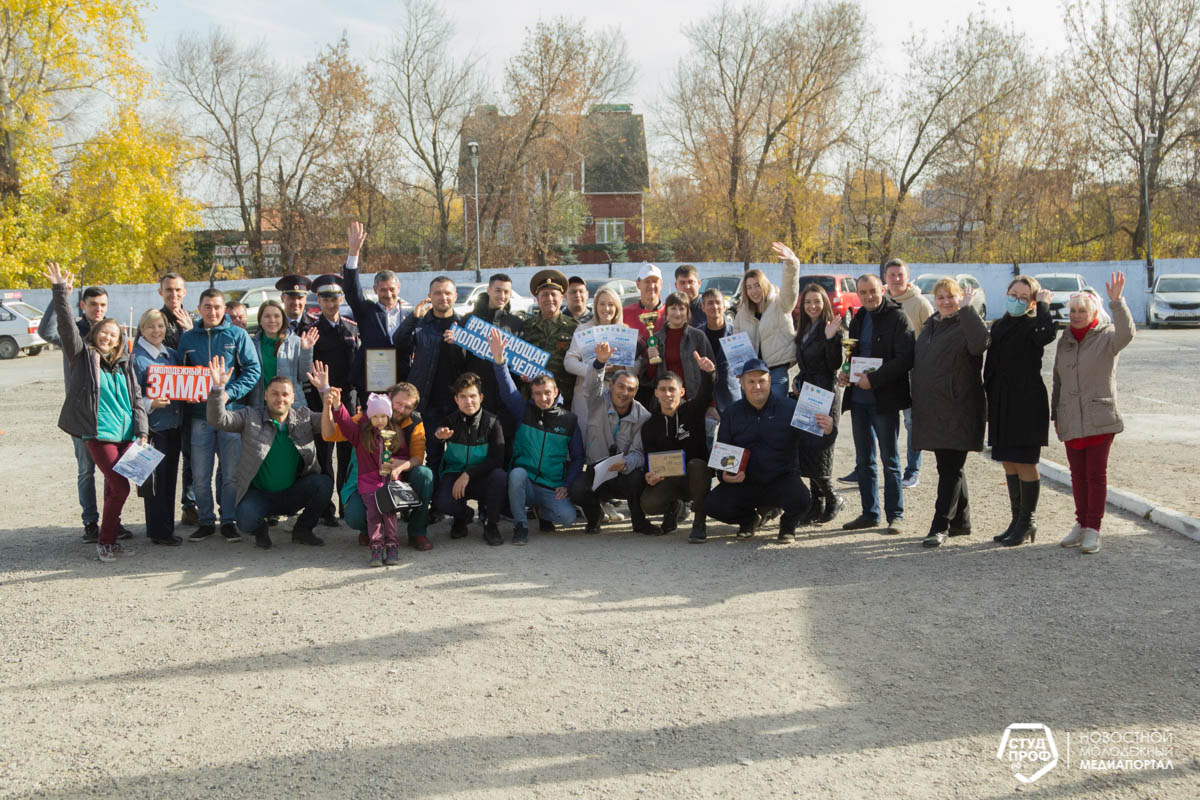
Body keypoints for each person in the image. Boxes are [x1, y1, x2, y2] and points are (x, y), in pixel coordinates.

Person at [45, 263, 149, 562]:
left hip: (126, 436)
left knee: (113, 489)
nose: (107, 338)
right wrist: (60, 292)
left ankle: (110, 537)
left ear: (119, 339)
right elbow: (66, 327)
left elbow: (137, 400)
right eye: (104, 333)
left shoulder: (125, 364)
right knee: (120, 487)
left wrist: (142, 432)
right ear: (95, 334)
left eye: (113, 335)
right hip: (99, 434)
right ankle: (104, 540)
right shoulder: (83, 357)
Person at [205, 356, 331, 550]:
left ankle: (303, 530)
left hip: (292, 492)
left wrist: (324, 391)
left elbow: (331, 422)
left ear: (293, 398)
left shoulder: (304, 416)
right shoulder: (250, 416)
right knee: (245, 520)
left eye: (285, 394)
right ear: (265, 396)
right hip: (259, 495)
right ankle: (261, 530)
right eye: (274, 394)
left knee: (323, 484)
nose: (280, 399)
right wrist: (218, 389)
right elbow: (218, 420)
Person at [1051, 273, 1134, 555]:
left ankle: (1093, 529)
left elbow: (1127, 333)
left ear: (1094, 313)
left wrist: (1117, 302)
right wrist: (1056, 414)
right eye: (1073, 311)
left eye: (1082, 311)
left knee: (1095, 475)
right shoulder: (1064, 340)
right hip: (1071, 418)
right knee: (1077, 475)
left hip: (1099, 418)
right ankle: (1081, 523)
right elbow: (1058, 380)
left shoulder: (1107, 337)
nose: (1076, 315)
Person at [37, 281, 125, 542]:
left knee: (112, 473)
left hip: (110, 417)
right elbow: (45, 331)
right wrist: (58, 296)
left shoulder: (112, 333)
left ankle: (113, 521)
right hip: (83, 416)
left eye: (103, 305)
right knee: (86, 470)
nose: (98, 309)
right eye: (93, 304)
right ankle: (90, 521)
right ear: (82, 305)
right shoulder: (73, 331)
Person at [705, 359, 828, 542]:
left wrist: (828, 432)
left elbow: (813, 445)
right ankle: (748, 520)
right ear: (742, 383)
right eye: (751, 381)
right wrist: (724, 475)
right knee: (712, 505)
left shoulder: (790, 408)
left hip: (781, 479)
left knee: (802, 500)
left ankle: (787, 526)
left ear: (770, 381)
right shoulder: (731, 413)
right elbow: (723, 450)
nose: (757, 386)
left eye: (762, 381)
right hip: (745, 481)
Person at [178, 288, 262, 543]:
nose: (212, 312)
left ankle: (228, 520)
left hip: (230, 415)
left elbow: (253, 370)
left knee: (230, 474)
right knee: (200, 474)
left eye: (217, 307)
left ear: (224, 309)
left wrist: (229, 393)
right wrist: (185, 392)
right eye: (207, 307)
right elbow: (179, 373)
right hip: (199, 416)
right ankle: (206, 521)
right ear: (199, 309)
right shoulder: (187, 339)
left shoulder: (237, 335)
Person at [910, 279, 989, 547]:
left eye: (951, 297)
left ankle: (939, 525)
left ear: (961, 298)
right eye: (941, 297)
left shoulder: (967, 323)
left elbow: (980, 344)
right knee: (949, 466)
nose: (946, 302)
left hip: (959, 407)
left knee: (950, 468)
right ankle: (961, 521)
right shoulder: (932, 325)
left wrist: (967, 310)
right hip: (935, 408)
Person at [488, 328, 584, 545]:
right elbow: (507, 390)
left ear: (556, 392)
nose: (543, 398)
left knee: (568, 518)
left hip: (552, 486)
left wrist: (567, 484)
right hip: (526, 484)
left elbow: (578, 457)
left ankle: (543, 512)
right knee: (516, 474)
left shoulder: (569, 420)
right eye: (538, 394)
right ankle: (520, 525)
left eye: (547, 393)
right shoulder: (524, 412)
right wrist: (499, 361)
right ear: (532, 394)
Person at [838, 274, 915, 535]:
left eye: (872, 291)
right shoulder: (859, 318)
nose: (868, 296)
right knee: (864, 461)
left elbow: (906, 359)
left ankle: (896, 515)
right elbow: (853, 355)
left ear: (882, 289)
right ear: (858, 294)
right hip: (859, 401)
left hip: (885, 400)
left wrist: (875, 379)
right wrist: (846, 374)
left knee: (889, 460)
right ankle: (870, 513)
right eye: (863, 292)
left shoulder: (898, 318)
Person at [983, 276, 1057, 547]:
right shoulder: (999, 325)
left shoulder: (1034, 325)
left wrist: (1045, 306)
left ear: (1032, 303)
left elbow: (1047, 334)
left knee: (1025, 461)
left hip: (1026, 402)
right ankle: (1016, 520)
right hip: (1001, 400)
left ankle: (1028, 521)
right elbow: (990, 365)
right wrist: (987, 397)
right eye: (1013, 294)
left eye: (1024, 298)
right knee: (1008, 460)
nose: (1016, 300)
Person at [322, 376, 435, 551]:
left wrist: (401, 465)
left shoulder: (414, 423)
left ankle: (417, 531)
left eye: (408, 407)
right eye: (398, 403)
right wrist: (327, 405)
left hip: (398, 478)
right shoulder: (368, 417)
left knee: (425, 474)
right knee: (354, 516)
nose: (401, 410)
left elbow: (417, 458)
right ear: (389, 397)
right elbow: (329, 435)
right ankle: (367, 529)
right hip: (366, 480)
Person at [568, 342, 652, 533]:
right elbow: (592, 385)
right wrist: (599, 363)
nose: (624, 393)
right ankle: (594, 517)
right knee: (577, 488)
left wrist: (626, 463)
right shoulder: (598, 401)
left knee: (637, 477)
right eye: (620, 386)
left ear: (636, 392)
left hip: (623, 475)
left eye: (630, 389)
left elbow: (639, 453)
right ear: (611, 385)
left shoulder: (643, 417)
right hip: (596, 472)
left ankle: (639, 522)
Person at [636, 354, 717, 542]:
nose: (667, 394)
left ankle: (699, 521)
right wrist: (650, 475)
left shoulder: (693, 410)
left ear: (682, 392)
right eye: (663, 390)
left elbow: (706, 393)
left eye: (672, 389)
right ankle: (673, 509)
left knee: (697, 465)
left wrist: (709, 373)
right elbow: (650, 457)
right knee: (649, 504)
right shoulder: (650, 425)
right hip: (670, 479)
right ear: (656, 393)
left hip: (696, 477)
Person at [328, 390, 413, 566]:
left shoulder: (396, 433)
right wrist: (337, 405)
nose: (379, 420)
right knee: (373, 516)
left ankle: (392, 547)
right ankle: (376, 549)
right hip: (368, 484)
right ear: (369, 417)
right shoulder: (361, 434)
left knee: (390, 516)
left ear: (389, 416)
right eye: (375, 416)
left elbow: (404, 455)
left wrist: (395, 466)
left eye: (383, 416)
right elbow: (345, 423)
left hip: (389, 483)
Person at [395, 275, 464, 479]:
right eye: (438, 293)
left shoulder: (465, 324)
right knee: (432, 456)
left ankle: (451, 496)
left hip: (457, 404)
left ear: (455, 296)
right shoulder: (421, 323)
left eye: (448, 293)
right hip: (428, 403)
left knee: (457, 457)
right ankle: (432, 498)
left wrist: (459, 344)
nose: (443, 297)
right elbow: (399, 341)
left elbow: (471, 362)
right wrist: (413, 318)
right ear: (429, 296)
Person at [306, 274, 360, 524]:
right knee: (324, 457)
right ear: (318, 300)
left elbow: (358, 367)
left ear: (341, 299)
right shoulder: (311, 330)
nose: (331, 303)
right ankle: (326, 509)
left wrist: (357, 399)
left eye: (335, 297)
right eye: (325, 298)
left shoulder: (352, 327)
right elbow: (307, 368)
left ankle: (346, 505)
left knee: (348, 457)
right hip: (322, 402)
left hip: (348, 401)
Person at [430, 372, 507, 546]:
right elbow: (438, 435)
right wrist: (439, 437)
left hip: (481, 475)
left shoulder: (493, 422)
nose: (468, 401)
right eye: (463, 397)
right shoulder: (449, 420)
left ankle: (491, 525)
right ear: (456, 399)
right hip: (455, 474)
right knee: (442, 503)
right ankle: (463, 516)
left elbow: (497, 459)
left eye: (473, 396)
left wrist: (468, 474)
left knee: (500, 477)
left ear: (481, 397)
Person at [792, 283, 846, 525]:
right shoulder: (804, 328)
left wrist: (831, 339)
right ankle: (816, 503)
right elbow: (805, 362)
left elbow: (834, 364)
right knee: (808, 448)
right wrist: (798, 379)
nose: (812, 306)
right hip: (808, 391)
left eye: (817, 301)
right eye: (808, 302)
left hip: (825, 392)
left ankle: (833, 498)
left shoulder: (830, 328)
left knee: (821, 447)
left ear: (824, 303)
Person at [132, 309, 185, 546]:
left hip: (173, 425)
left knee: (169, 479)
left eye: (160, 326)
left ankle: (166, 527)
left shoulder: (171, 354)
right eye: (151, 326)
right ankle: (158, 531)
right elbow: (131, 396)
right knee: (154, 482)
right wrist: (150, 402)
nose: (156, 331)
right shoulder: (136, 358)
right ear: (142, 329)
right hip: (152, 429)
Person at [880, 259, 933, 489]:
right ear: (885, 277)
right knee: (883, 420)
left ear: (907, 276)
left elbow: (932, 336)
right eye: (891, 275)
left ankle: (912, 471)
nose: (896, 279)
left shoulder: (920, 303)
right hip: (886, 370)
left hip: (913, 370)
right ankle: (882, 467)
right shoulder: (880, 301)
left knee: (912, 422)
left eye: (900, 274)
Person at [153, 273, 200, 526]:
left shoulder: (195, 320)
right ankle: (161, 516)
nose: (174, 294)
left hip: (191, 399)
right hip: (165, 402)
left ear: (185, 291)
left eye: (178, 290)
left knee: (192, 454)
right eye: (169, 290)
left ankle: (190, 505)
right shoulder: (154, 320)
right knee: (166, 458)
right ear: (160, 292)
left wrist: (191, 332)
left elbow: (201, 359)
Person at [342, 221, 408, 398]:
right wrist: (353, 253)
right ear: (375, 290)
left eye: (392, 289)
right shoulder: (366, 311)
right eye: (383, 290)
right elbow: (352, 290)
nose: (388, 294)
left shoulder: (410, 315)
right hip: (372, 383)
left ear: (399, 288)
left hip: (402, 383)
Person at [563, 285, 641, 430]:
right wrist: (595, 368)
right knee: (587, 436)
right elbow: (569, 362)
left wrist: (623, 367)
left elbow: (637, 365)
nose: (606, 308)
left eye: (611, 304)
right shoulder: (583, 329)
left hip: (616, 396)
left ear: (617, 307)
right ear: (595, 306)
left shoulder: (625, 331)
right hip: (586, 395)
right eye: (602, 304)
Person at [732, 243, 800, 400]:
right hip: (751, 373)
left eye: (757, 285)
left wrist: (791, 263)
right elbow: (736, 344)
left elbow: (790, 288)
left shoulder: (780, 303)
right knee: (751, 412)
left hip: (776, 370)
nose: (753, 291)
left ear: (765, 284)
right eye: (749, 287)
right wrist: (739, 369)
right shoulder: (742, 313)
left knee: (775, 409)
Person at [460, 273, 525, 418]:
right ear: (488, 290)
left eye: (506, 291)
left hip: (505, 394)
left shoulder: (516, 323)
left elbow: (519, 360)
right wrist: (454, 344)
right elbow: (460, 360)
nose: (502, 295)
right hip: (476, 392)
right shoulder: (469, 319)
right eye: (498, 290)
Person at [521, 269, 580, 409]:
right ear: (537, 299)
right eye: (544, 294)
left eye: (553, 294)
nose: (549, 299)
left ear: (562, 297)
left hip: (564, 399)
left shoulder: (575, 328)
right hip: (532, 399)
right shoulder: (526, 326)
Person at [247, 299, 318, 407]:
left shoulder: (296, 341)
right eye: (267, 316)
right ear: (260, 320)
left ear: (283, 319)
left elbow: (304, 377)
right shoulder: (252, 345)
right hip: (260, 407)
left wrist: (306, 350)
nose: (272, 320)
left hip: (291, 406)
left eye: (277, 316)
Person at [648, 292, 715, 402]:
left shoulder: (698, 337)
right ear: (666, 311)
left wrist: (711, 404)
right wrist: (652, 361)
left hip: (694, 401)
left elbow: (712, 375)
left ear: (687, 311)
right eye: (673, 308)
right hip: (666, 402)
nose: (677, 313)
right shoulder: (655, 339)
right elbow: (649, 378)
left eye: (682, 309)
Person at [699, 288, 742, 414]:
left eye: (718, 302)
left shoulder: (736, 333)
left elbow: (744, 368)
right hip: (705, 397)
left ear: (724, 306)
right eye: (710, 303)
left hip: (731, 396)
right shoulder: (697, 335)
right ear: (703, 307)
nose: (715, 306)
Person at [622, 262, 666, 345]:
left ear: (661, 284)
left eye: (655, 281)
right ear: (638, 284)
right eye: (647, 281)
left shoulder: (670, 313)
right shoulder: (625, 314)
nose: (651, 286)